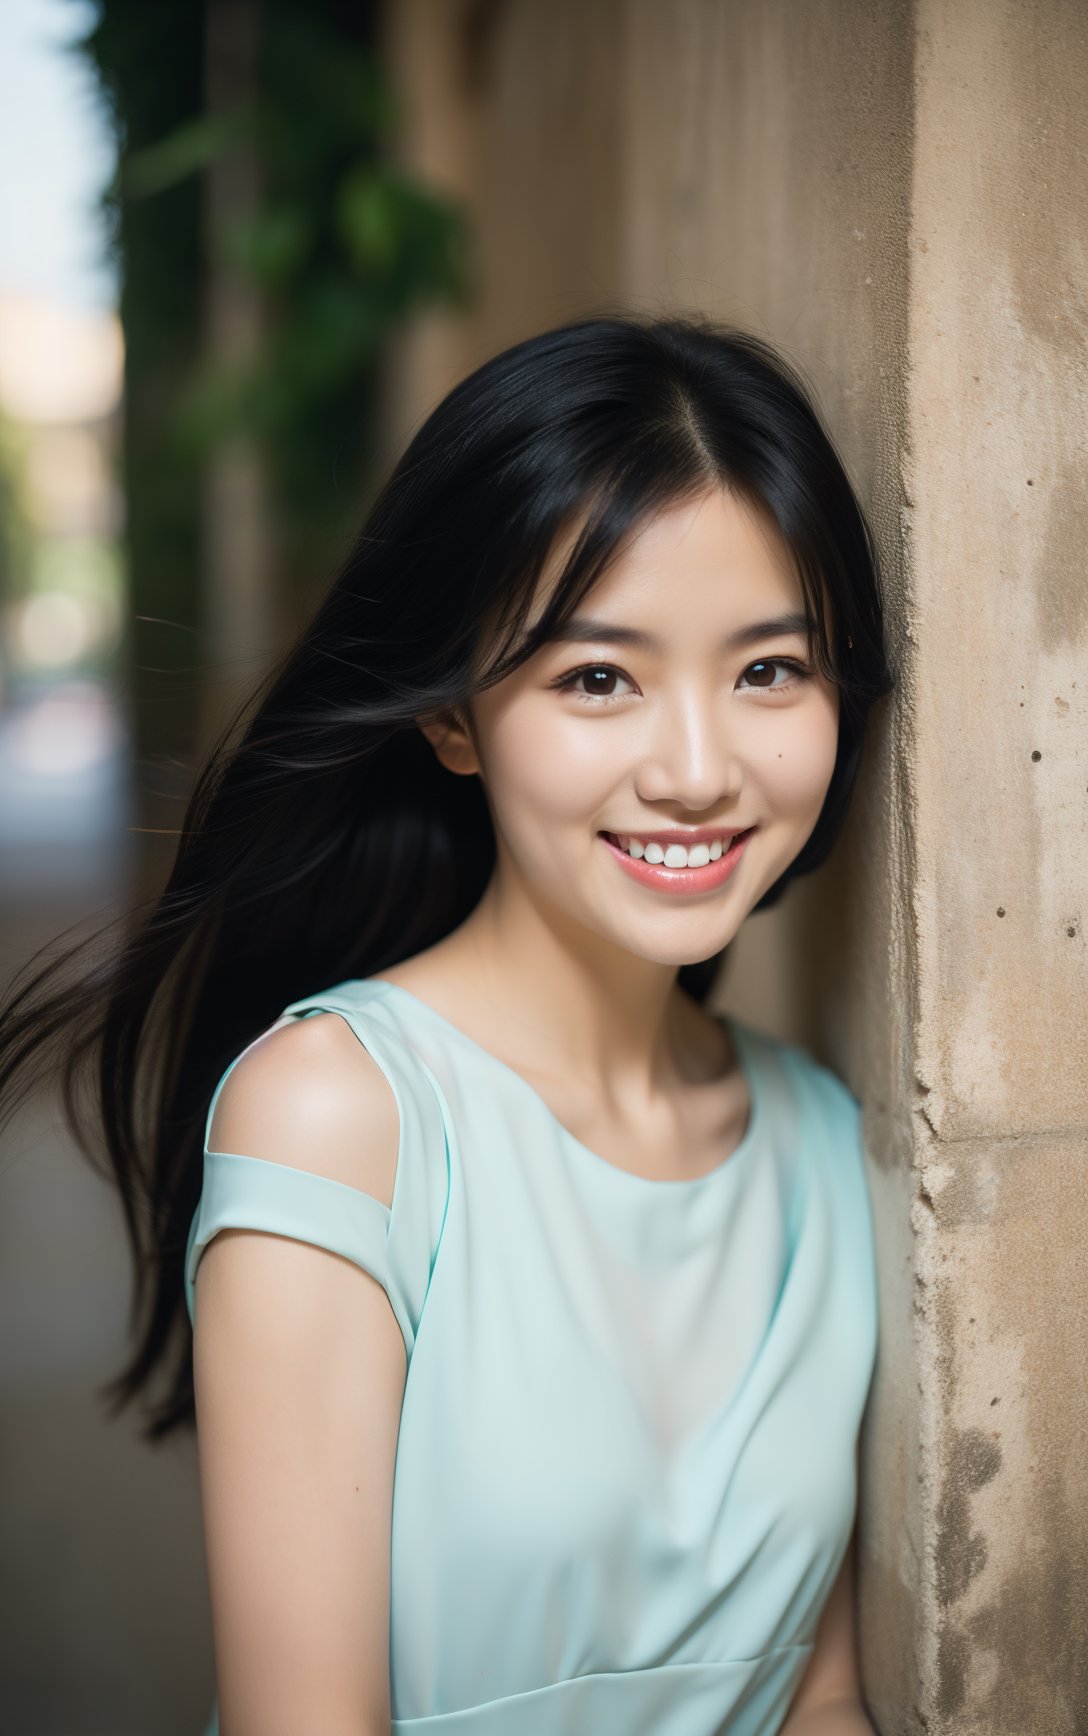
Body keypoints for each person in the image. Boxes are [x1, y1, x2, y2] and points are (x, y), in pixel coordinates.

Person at [0, 313, 895, 1735]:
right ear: (455, 718)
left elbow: (825, 1697)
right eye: (597, 676)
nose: (698, 767)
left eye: (768, 670)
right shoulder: (339, 1115)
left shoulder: (829, 1150)